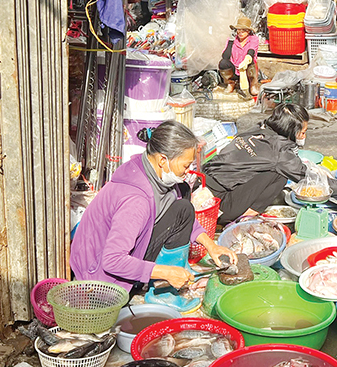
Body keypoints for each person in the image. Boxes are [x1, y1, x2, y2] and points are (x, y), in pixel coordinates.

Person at [70, 121, 236, 293]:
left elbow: (182, 215)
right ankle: (161, 291)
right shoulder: (136, 201)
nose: (189, 170)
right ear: (163, 160)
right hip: (99, 280)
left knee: (184, 200)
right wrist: (166, 272)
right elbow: (112, 260)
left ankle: (170, 273)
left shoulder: (152, 171)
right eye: (186, 165)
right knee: (183, 205)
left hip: (113, 257)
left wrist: (211, 246)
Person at [204, 103, 337, 223]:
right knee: (280, 175)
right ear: (290, 130)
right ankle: (245, 216)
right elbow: (310, 179)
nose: (304, 136)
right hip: (217, 207)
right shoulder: (279, 154)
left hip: (203, 188)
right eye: (303, 132)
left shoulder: (257, 130)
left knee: (277, 170)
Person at [219, 16, 260, 97]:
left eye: (244, 31)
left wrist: (246, 60)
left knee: (250, 61)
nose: (240, 33)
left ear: (248, 31)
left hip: (247, 68)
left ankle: (252, 84)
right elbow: (225, 56)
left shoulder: (253, 39)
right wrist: (231, 41)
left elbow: (251, 52)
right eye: (239, 30)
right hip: (235, 68)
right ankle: (231, 83)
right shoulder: (233, 39)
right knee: (223, 63)